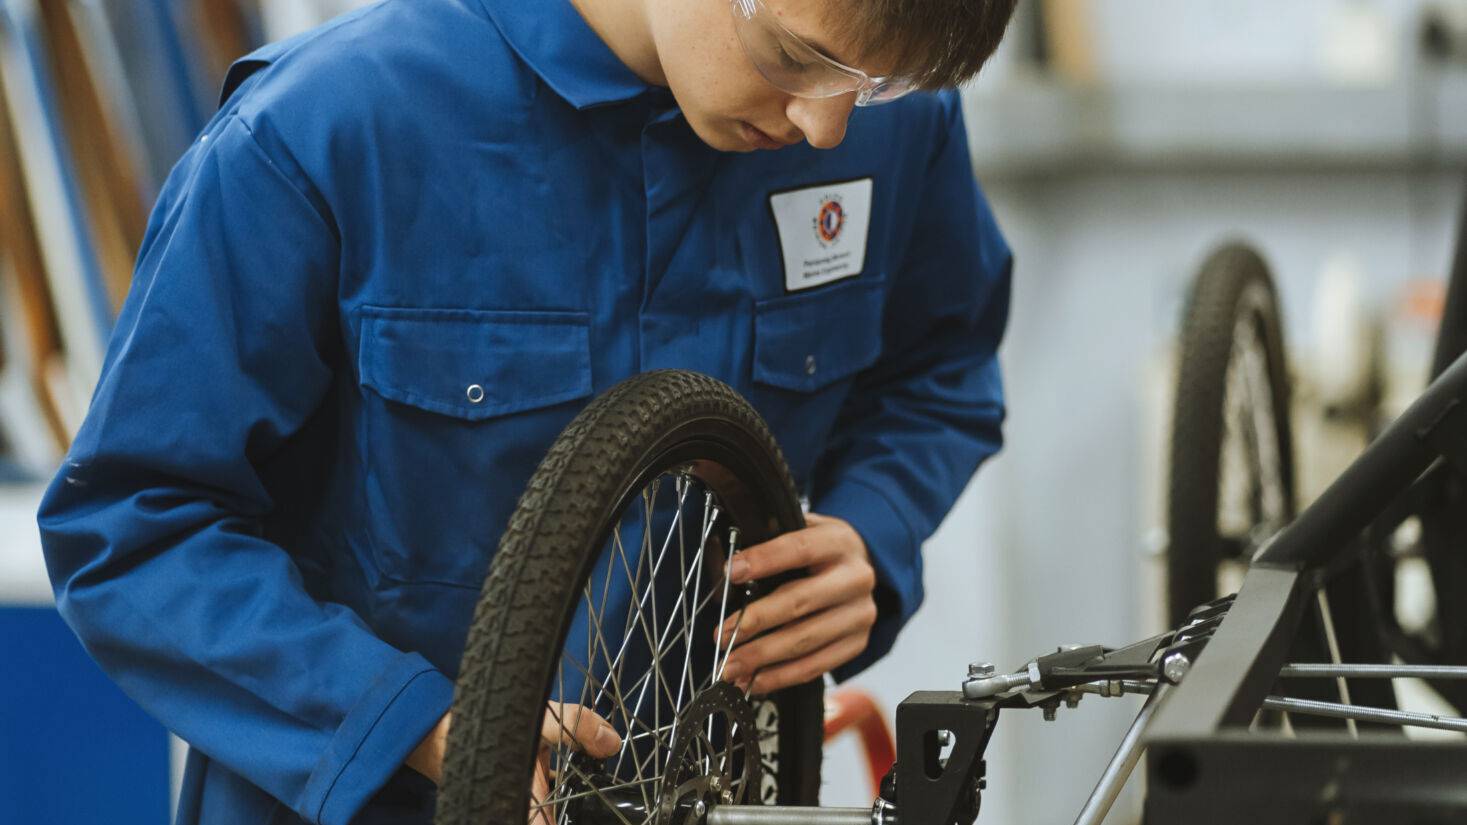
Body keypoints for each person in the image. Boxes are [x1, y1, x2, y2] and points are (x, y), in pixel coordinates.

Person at [37, 0, 1017, 821]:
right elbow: (131, 524)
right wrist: (414, 724)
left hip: (697, 793)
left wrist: (869, 533)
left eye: (874, 83)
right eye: (795, 60)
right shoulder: (333, 130)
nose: (826, 126)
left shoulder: (888, 113)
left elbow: (942, 369)